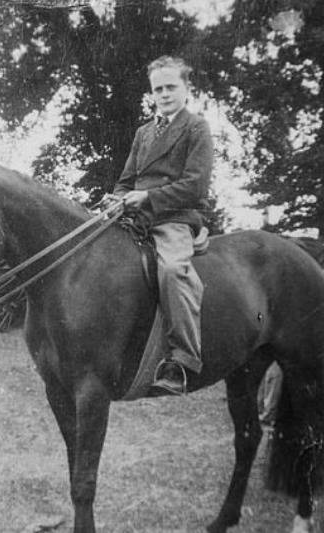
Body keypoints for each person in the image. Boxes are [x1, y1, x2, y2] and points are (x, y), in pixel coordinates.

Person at [111, 55, 213, 395]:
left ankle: (182, 359)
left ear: (186, 88)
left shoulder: (196, 127)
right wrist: (117, 199)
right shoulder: (143, 133)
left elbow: (195, 185)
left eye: (171, 87)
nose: (164, 94)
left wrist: (148, 197)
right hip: (135, 216)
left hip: (174, 217)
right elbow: (126, 181)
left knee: (171, 269)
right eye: (158, 89)